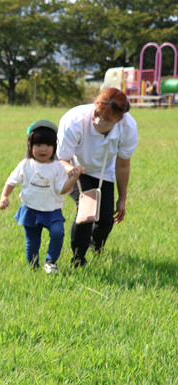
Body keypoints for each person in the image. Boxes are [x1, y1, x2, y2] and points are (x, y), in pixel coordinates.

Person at [57, 88, 139, 267]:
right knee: (87, 209)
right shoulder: (74, 121)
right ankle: (78, 260)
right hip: (73, 166)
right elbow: (62, 159)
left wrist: (122, 198)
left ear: (119, 119)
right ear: (95, 105)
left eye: (106, 120)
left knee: (106, 220)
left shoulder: (128, 128)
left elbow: (123, 165)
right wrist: (73, 170)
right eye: (96, 114)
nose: (98, 121)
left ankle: (97, 247)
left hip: (104, 170)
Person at [0, 120, 81, 273]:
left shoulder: (57, 167)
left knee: (58, 232)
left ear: (54, 147)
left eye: (48, 145)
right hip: (31, 210)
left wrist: (73, 179)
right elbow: (11, 181)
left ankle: (50, 262)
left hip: (53, 210)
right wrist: (4, 196)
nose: (43, 149)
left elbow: (62, 189)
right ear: (30, 146)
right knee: (32, 243)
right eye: (38, 145)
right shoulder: (26, 165)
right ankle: (33, 269)